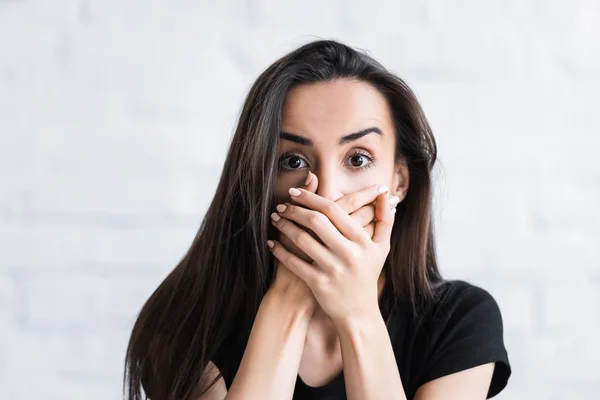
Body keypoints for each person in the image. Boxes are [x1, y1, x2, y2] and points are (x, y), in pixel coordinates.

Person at [124, 39, 511, 400]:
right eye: (293, 162)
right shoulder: (185, 323)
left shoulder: (461, 321)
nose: (325, 193)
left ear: (400, 181)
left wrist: (357, 312)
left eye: (357, 159)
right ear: (260, 181)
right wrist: (290, 298)